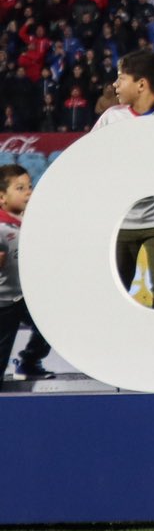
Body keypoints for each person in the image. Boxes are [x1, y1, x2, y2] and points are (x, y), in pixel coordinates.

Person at [98, 50, 154, 309]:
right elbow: (86, 164)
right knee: (112, 296)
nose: (115, 84)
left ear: (141, 84)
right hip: (119, 223)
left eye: (121, 78)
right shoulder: (111, 118)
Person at [0, 163, 35, 387]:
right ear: (2, 197)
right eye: (20, 188)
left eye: (30, 186)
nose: (28, 192)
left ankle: (29, 361)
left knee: (50, 329)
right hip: (4, 302)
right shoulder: (2, 227)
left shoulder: (33, 222)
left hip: (28, 298)